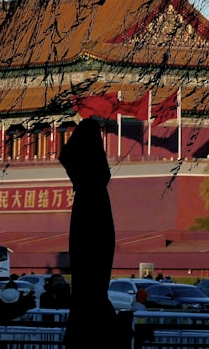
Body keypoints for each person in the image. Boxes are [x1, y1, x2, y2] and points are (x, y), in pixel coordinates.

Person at [58, 118, 127, 348]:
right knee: (92, 283)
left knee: (87, 283)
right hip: (95, 225)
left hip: (86, 226)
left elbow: (66, 155)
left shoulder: (84, 192)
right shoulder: (95, 193)